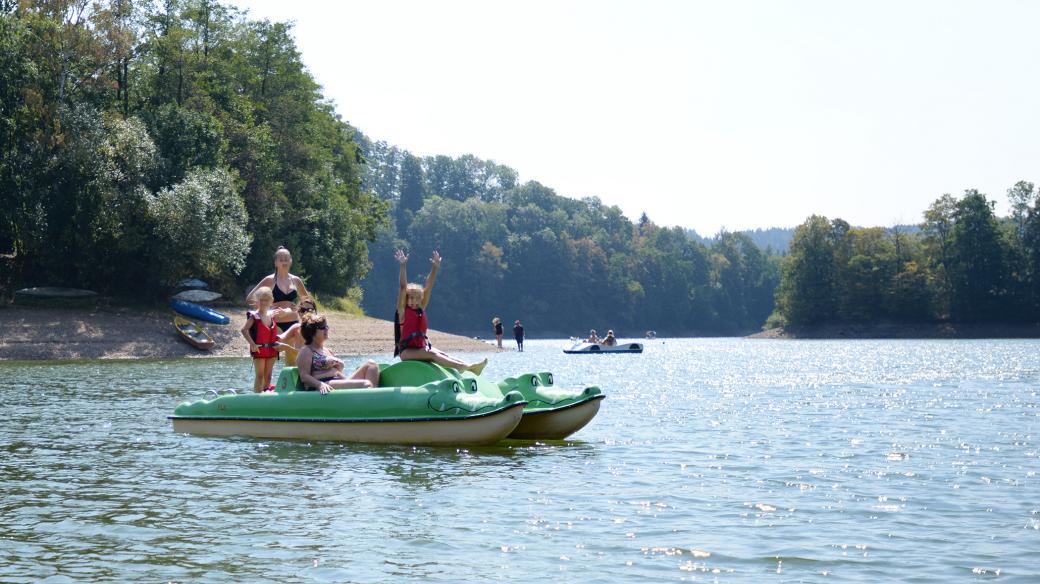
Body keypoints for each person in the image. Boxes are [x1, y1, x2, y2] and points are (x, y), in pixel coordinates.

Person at [395, 249, 487, 374]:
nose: (414, 302)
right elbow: (402, 287)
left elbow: (428, 287)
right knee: (432, 353)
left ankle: (469, 368)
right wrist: (403, 265)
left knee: (440, 353)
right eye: (411, 298)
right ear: (406, 299)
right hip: (406, 352)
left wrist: (435, 268)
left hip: (420, 348)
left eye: (417, 299)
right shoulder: (402, 311)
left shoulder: (421, 309)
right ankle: (462, 367)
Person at [246, 246, 312, 367]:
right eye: (281, 259)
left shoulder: (296, 280)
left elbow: (306, 302)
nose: (284, 262)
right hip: (274, 323)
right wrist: (267, 306)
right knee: (269, 360)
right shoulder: (270, 280)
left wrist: (298, 307)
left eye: (286, 259)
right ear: (276, 262)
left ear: (291, 261)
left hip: (293, 322)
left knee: (292, 361)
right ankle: (264, 385)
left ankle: (290, 385)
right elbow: (250, 298)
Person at [296, 312, 379, 394]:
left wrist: (340, 366)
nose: (327, 329)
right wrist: (320, 385)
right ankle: (372, 400)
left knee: (371, 365)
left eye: (326, 326)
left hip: (337, 382)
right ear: (311, 332)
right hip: (323, 384)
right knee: (366, 384)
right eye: (322, 327)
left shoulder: (328, 351)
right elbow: (304, 376)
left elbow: (336, 371)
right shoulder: (306, 351)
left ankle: (373, 398)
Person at [241, 286, 282, 392]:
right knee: (259, 376)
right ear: (257, 301)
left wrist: (280, 340)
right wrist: (252, 344)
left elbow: (278, 332)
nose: (264, 302)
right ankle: (257, 397)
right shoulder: (254, 316)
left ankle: (266, 395)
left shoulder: (273, 315)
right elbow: (244, 330)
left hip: (272, 350)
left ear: (271, 301)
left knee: (268, 376)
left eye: (266, 300)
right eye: (261, 300)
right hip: (259, 350)